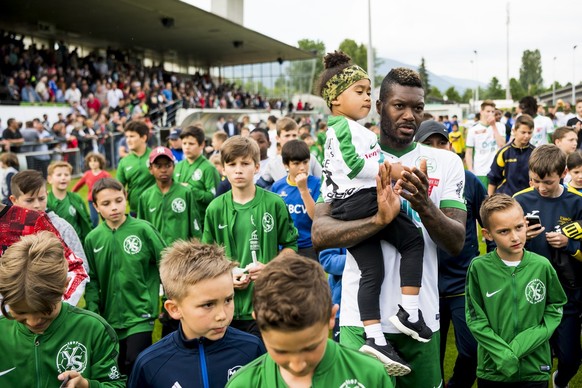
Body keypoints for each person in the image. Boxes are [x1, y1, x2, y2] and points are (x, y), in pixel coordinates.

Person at [312, 67, 467, 387]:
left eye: (418, 107)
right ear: (380, 106)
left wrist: (423, 204)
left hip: (423, 317)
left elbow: (455, 241)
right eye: (399, 106)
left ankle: (407, 311)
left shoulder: (446, 162)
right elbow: (320, 233)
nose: (410, 115)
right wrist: (378, 220)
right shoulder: (351, 154)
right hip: (360, 322)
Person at [317, 51, 429, 374]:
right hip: (357, 202)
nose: (367, 98)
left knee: (373, 271)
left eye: (369, 91)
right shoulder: (341, 129)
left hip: (353, 203)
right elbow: (355, 165)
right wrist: (391, 170)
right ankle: (408, 311)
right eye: (360, 92)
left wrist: (390, 175)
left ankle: (375, 336)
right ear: (336, 99)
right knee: (412, 240)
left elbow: (352, 169)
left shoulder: (355, 129)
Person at [225, 253, 393, 388]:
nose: (298, 366)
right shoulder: (243, 384)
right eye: (281, 351)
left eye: (310, 348)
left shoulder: (370, 375)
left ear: (331, 317)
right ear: (259, 324)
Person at [128, 239, 266, 388]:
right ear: (174, 309)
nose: (222, 316)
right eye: (208, 305)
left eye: (228, 300)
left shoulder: (252, 350)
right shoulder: (150, 364)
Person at [0, 232, 126, 387]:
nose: (33, 322)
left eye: (45, 313)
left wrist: (87, 385)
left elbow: (115, 384)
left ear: (65, 286)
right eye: (21, 313)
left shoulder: (93, 329)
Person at [202, 136, 298, 338]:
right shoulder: (215, 208)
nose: (238, 170)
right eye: (232, 164)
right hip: (226, 307)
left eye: (245, 163)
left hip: (265, 302)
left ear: (256, 167)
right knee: (233, 366)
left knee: (265, 361)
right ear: (223, 169)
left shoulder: (274, 204)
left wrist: (270, 268)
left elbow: (291, 246)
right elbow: (207, 257)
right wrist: (227, 275)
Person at [466, 194, 566, 387]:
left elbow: (555, 307)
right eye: (504, 231)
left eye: (519, 227)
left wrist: (519, 347)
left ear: (525, 224)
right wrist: (503, 355)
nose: (514, 237)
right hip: (493, 369)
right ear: (487, 234)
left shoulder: (542, 266)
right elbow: (475, 319)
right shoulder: (479, 268)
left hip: (535, 369)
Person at [415, 119, 485, 388]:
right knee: (432, 354)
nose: (437, 148)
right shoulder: (410, 176)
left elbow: (487, 223)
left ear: (450, 144)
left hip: (462, 280)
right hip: (425, 283)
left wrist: (489, 257)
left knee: (472, 350)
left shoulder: (468, 180)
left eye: (441, 142)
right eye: (428, 143)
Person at [513, 144, 582, 388]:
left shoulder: (577, 202)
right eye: (535, 181)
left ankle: (560, 380)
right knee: (531, 358)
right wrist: (522, 238)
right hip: (528, 290)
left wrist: (569, 243)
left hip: (566, 292)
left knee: (571, 359)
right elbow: (499, 246)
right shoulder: (519, 200)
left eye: (548, 182)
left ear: (563, 173)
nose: (541, 187)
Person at [84, 178, 166, 376]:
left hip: (140, 313)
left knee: (136, 362)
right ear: (95, 207)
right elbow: (92, 280)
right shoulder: (92, 239)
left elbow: (166, 264)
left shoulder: (143, 229)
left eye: (118, 200)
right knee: (117, 369)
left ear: (126, 198)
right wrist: (94, 313)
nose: (114, 207)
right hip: (109, 317)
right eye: (106, 204)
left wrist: (171, 299)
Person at [9, 170, 89, 271]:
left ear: (47, 195)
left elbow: (81, 266)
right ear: (14, 200)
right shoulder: (6, 230)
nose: (37, 205)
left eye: (41, 198)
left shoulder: (62, 228)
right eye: (29, 200)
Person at [137, 146, 202, 245]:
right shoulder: (145, 197)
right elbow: (141, 229)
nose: (163, 170)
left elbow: (195, 227)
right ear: (151, 169)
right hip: (157, 255)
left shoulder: (185, 193)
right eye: (158, 166)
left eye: (168, 165)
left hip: (182, 254)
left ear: (174, 167)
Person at [271, 140, 320, 260]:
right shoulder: (278, 186)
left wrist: (303, 190)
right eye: (296, 163)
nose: (302, 167)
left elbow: (316, 216)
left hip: (310, 245)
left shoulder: (317, 183)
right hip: (287, 247)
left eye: (305, 162)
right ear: (286, 165)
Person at [173, 125, 221, 224]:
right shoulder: (178, 166)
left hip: (201, 222)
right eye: (184, 143)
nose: (187, 147)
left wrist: (190, 189)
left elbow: (214, 198)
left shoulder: (209, 168)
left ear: (202, 144)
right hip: (180, 221)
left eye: (191, 143)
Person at [260, 117, 322, 189]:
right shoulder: (273, 164)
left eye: (294, 135)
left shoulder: (310, 158)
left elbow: (323, 181)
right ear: (278, 138)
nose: (291, 139)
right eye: (287, 135)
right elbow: (261, 186)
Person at [487, 114, 536, 197]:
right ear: (514, 131)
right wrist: (489, 199)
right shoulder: (504, 152)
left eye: (529, 132)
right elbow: (493, 179)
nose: (527, 136)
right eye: (523, 132)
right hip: (506, 198)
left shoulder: (535, 152)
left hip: (528, 198)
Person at [47, 161, 93, 243]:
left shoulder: (76, 198)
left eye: (66, 175)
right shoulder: (46, 200)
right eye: (59, 175)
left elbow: (86, 220)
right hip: (56, 244)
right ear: (50, 179)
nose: (63, 178)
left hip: (77, 243)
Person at [116, 120, 155, 216]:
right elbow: (117, 188)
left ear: (143, 138)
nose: (128, 140)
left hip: (156, 209)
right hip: (134, 211)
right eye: (127, 137)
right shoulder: (124, 162)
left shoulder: (155, 156)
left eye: (132, 136)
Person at [465, 100, 507, 188]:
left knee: (497, 200)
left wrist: (493, 126)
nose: (490, 114)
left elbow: (502, 145)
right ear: (481, 112)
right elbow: (468, 152)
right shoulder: (473, 130)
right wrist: (470, 170)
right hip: (480, 171)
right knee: (482, 199)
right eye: (488, 111)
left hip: (497, 170)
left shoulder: (500, 126)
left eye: (492, 111)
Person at [72, 152, 112, 227]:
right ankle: (94, 233)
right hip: (92, 200)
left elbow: (112, 186)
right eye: (91, 161)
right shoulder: (87, 174)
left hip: (104, 200)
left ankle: (109, 230)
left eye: (95, 161)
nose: (93, 163)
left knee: (106, 217)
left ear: (100, 162)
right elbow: (78, 185)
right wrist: (71, 193)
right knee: (94, 219)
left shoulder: (105, 174)